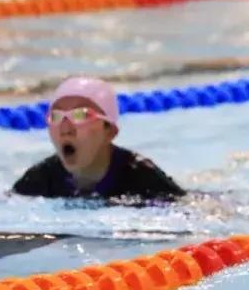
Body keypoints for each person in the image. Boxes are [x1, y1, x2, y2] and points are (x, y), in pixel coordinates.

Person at [12, 77, 185, 203]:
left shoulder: (140, 176)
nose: (66, 128)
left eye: (81, 115)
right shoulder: (41, 179)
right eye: (56, 116)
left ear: (110, 131)